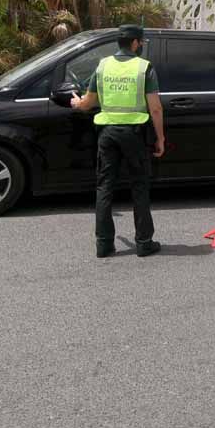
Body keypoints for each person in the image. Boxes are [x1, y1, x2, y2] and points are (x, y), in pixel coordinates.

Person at [71, 24, 166, 257]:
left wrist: (76, 103)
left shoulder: (103, 66)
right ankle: (144, 242)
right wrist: (160, 138)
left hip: (107, 133)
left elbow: (88, 102)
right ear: (134, 43)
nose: (142, 45)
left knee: (104, 187)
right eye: (141, 41)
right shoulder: (144, 68)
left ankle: (103, 244)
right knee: (139, 186)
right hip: (134, 133)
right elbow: (155, 108)